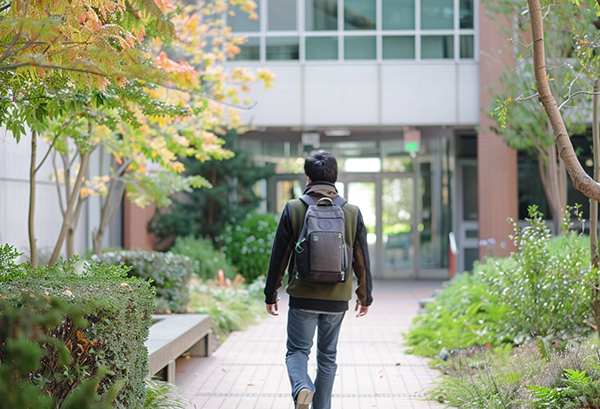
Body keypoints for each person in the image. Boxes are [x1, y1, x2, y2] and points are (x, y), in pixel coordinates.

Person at [264, 150, 373, 409]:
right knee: (328, 358)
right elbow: (361, 259)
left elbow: (279, 256)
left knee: (298, 351)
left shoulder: (294, 208)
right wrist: (365, 296)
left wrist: (271, 294)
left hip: (302, 296)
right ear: (334, 177)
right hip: (337, 299)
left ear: (308, 178)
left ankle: (302, 387)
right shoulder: (352, 212)